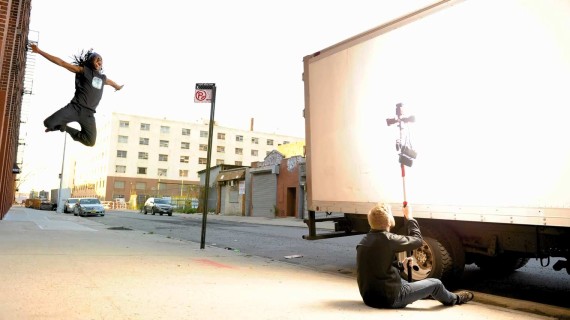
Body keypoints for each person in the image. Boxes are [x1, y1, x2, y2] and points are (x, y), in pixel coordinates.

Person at [356, 203, 474, 309]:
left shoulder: (364, 241)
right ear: (388, 222)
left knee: (413, 285)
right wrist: (410, 217)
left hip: (369, 298)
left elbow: (377, 267)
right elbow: (417, 240)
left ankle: (424, 292)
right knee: (435, 283)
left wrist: (401, 265)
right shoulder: (388, 239)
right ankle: (455, 299)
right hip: (390, 298)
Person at [30, 43, 124, 147]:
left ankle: (65, 128)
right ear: (90, 61)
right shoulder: (83, 71)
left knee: (90, 141)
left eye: (100, 60)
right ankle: (58, 126)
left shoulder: (103, 78)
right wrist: (39, 51)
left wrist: (118, 87)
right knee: (48, 124)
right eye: (96, 59)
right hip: (75, 108)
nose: (99, 61)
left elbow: (112, 83)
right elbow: (62, 63)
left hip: (89, 115)